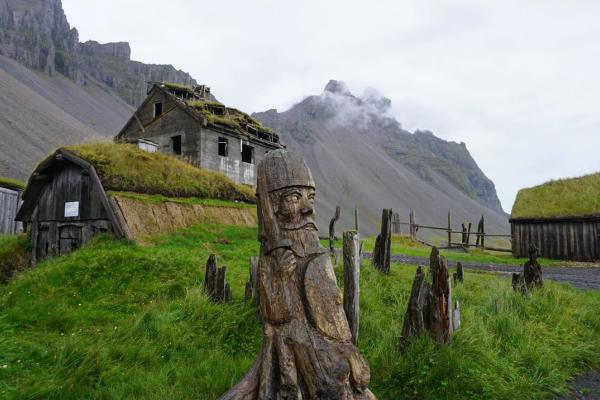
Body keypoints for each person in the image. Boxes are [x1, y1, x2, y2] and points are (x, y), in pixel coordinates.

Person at [220, 149, 375, 400]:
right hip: (295, 345)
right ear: (273, 205)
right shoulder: (273, 257)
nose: (308, 209)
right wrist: (280, 277)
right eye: (294, 198)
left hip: (329, 343)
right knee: (328, 381)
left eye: (311, 197)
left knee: (347, 372)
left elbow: (334, 314)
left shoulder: (317, 253)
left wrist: (344, 345)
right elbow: (276, 317)